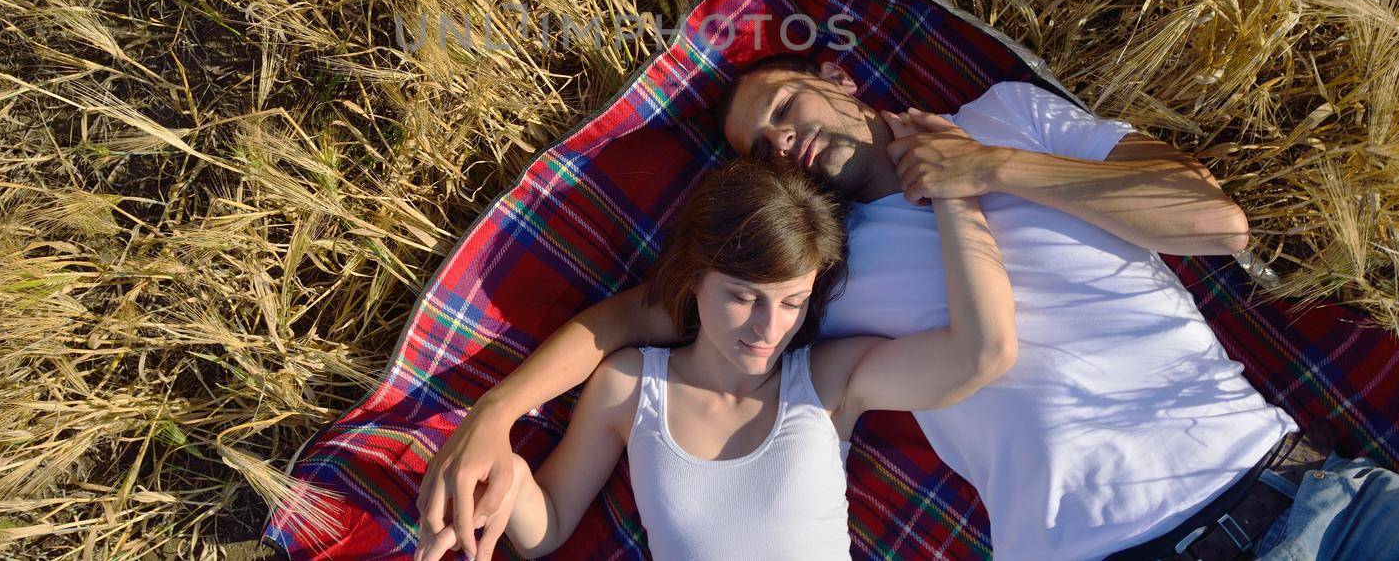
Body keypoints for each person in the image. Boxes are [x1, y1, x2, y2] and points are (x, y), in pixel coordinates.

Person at [420, 56, 1399, 560]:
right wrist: (491, 418)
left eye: (781, 108)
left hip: (1309, 498)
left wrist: (989, 168)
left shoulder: (1010, 114)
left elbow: (1214, 224)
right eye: (754, 149)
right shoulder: (815, 274)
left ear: (837, 81)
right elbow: (630, 321)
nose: (778, 143)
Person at [415, 142, 1016, 561]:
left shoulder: (831, 380)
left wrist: (956, 193)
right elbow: (544, 531)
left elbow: (982, 354)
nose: (767, 328)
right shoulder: (630, 386)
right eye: (743, 297)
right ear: (696, 278)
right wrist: (505, 479)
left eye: (792, 302)